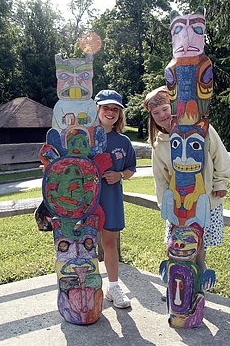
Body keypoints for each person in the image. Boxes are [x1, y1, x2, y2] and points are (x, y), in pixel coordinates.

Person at [144, 86, 230, 291]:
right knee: (178, 246)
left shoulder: (202, 131)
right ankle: (178, 286)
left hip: (206, 200)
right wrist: (166, 206)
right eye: (155, 113)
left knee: (198, 246)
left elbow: (221, 157)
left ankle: (197, 286)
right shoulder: (158, 145)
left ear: (172, 106)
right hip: (177, 207)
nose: (161, 115)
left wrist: (220, 183)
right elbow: (161, 180)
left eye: (165, 109)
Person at [93, 89, 137, 309]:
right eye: (106, 107)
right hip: (86, 199)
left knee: (109, 243)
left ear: (120, 114)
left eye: (115, 109)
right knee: (86, 243)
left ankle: (113, 287)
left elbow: (131, 169)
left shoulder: (123, 141)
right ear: (97, 109)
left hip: (111, 198)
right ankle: (89, 288)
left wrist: (119, 175)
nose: (110, 112)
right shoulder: (85, 135)